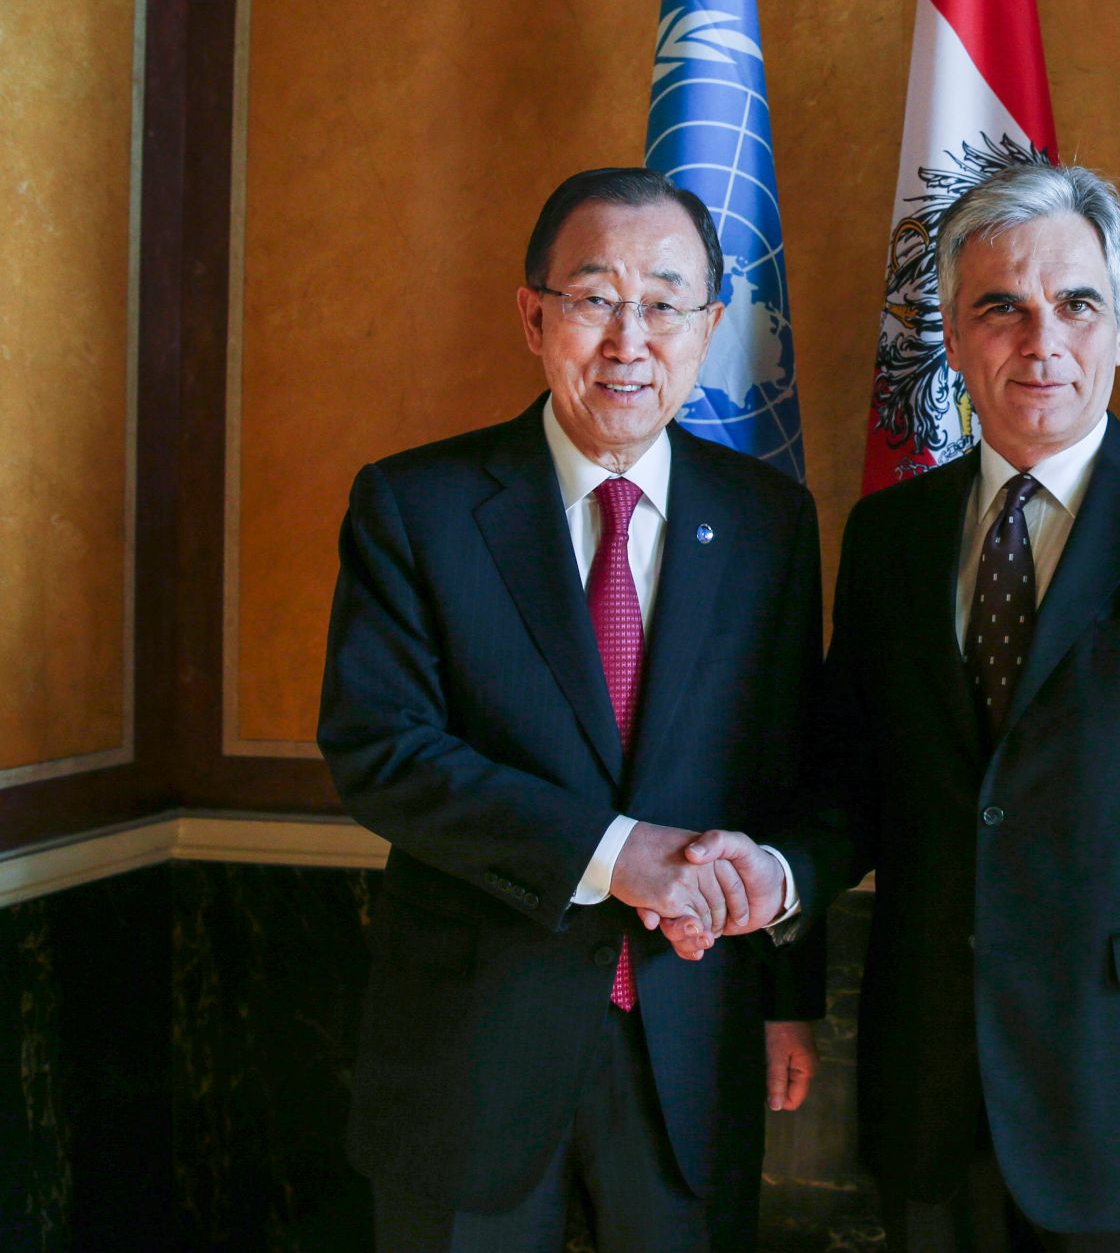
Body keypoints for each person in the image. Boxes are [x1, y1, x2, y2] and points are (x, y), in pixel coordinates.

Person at [676, 162, 1120, 1251]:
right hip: (934, 1106)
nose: (1041, 338)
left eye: (1075, 304)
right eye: (1000, 307)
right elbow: (850, 785)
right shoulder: (888, 540)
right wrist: (774, 880)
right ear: (952, 336)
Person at [317, 167, 822, 1253]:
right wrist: (611, 853)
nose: (628, 339)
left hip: (690, 1050)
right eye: (595, 298)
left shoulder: (770, 522)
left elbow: (787, 771)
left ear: (711, 324)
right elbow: (380, 747)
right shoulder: (417, 505)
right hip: (471, 1058)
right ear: (533, 315)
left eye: (665, 302)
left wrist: (788, 995)